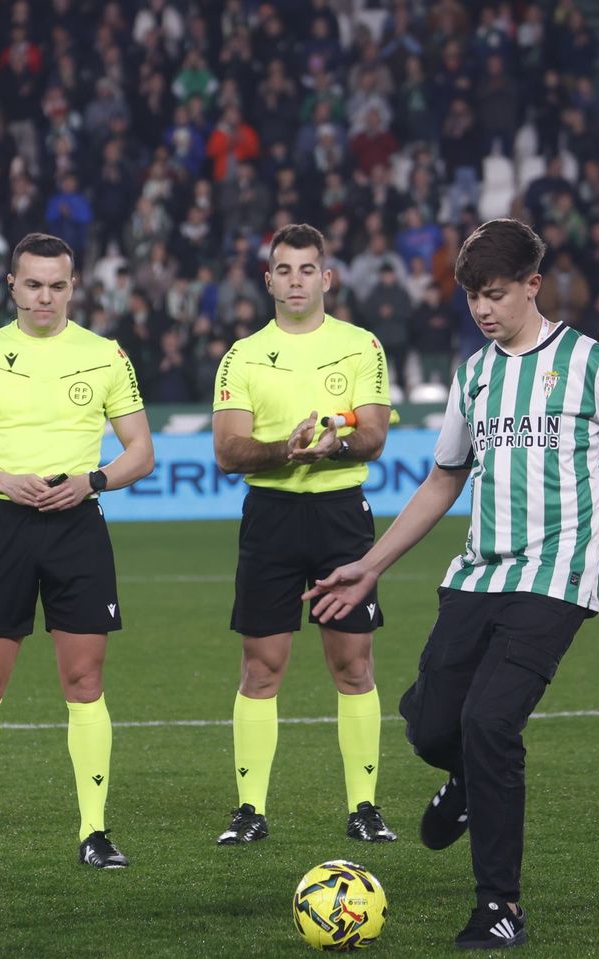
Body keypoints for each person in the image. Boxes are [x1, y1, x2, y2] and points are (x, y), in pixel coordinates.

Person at [307, 218, 599, 949]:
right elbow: (446, 477)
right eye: (473, 296)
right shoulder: (475, 372)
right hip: (476, 577)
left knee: (489, 725)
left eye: (496, 294)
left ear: (533, 287)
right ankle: (470, 786)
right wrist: (371, 563)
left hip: (553, 582)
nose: (483, 309)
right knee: (430, 726)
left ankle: (499, 907)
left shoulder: (588, 364)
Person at [0, 233, 155, 870]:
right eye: (33, 284)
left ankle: (94, 830)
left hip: (77, 523)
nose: (45, 297)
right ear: (12, 285)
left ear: (73, 286)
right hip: (3, 525)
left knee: (84, 682)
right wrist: (3, 479)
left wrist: (94, 480)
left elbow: (141, 448)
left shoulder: (105, 355)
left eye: (57, 285)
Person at [210, 223, 396, 847]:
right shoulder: (242, 355)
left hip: (342, 516)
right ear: (268, 280)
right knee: (262, 668)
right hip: (271, 519)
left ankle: (364, 808)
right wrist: (284, 451)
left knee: (354, 663)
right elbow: (228, 451)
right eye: (284, 270)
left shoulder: (360, 345)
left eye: (307, 269)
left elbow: (373, 433)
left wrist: (334, 444)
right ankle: (250, 811)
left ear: (327, 277)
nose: (296, 280)